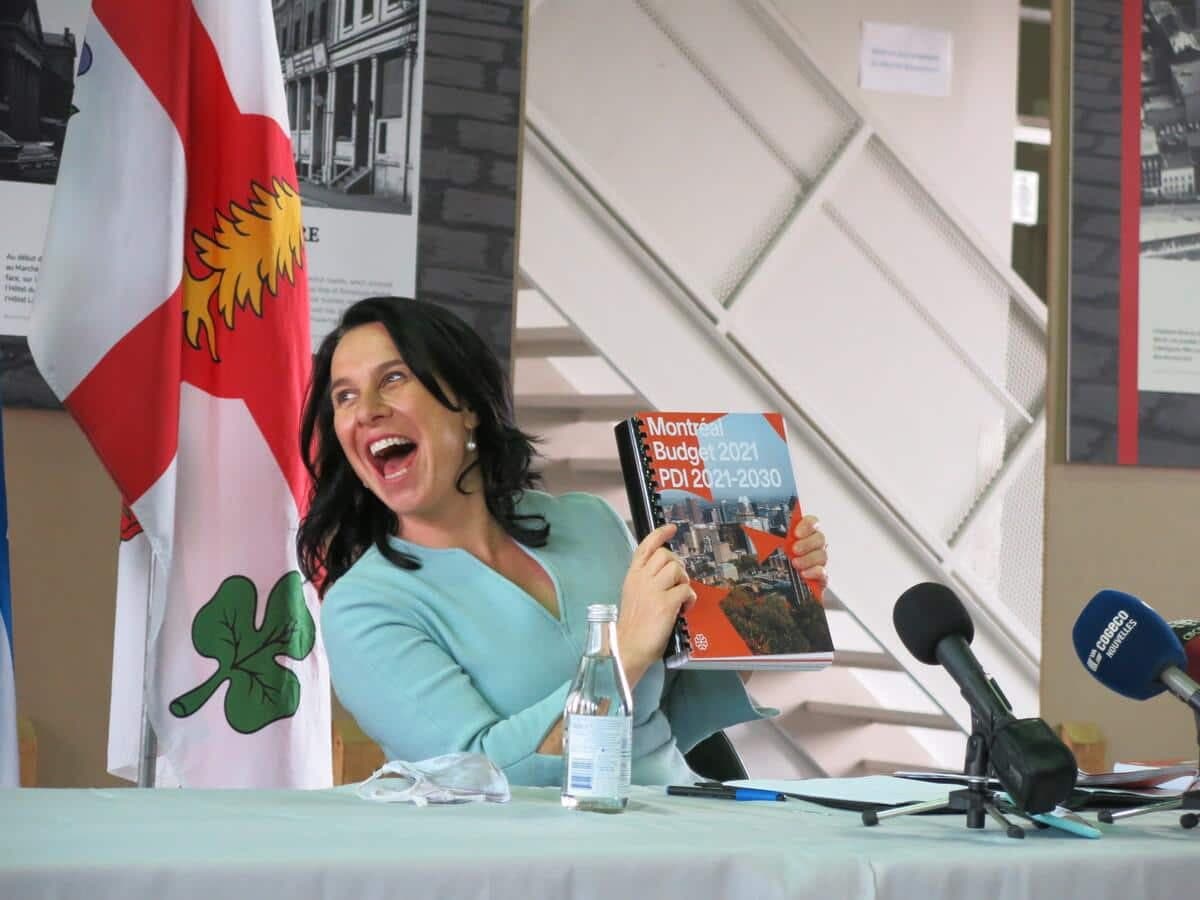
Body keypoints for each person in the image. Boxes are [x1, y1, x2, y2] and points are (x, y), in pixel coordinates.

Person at [297, 296, 830, 786]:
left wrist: (768, 593)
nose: (365, 409)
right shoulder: (362, 607)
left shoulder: (588, 521)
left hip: (679, 819)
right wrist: (623, 652)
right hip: (534, 851)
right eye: (345, 396)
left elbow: (678, 709)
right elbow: (478, 775)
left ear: (467, 404)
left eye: (393, 378)